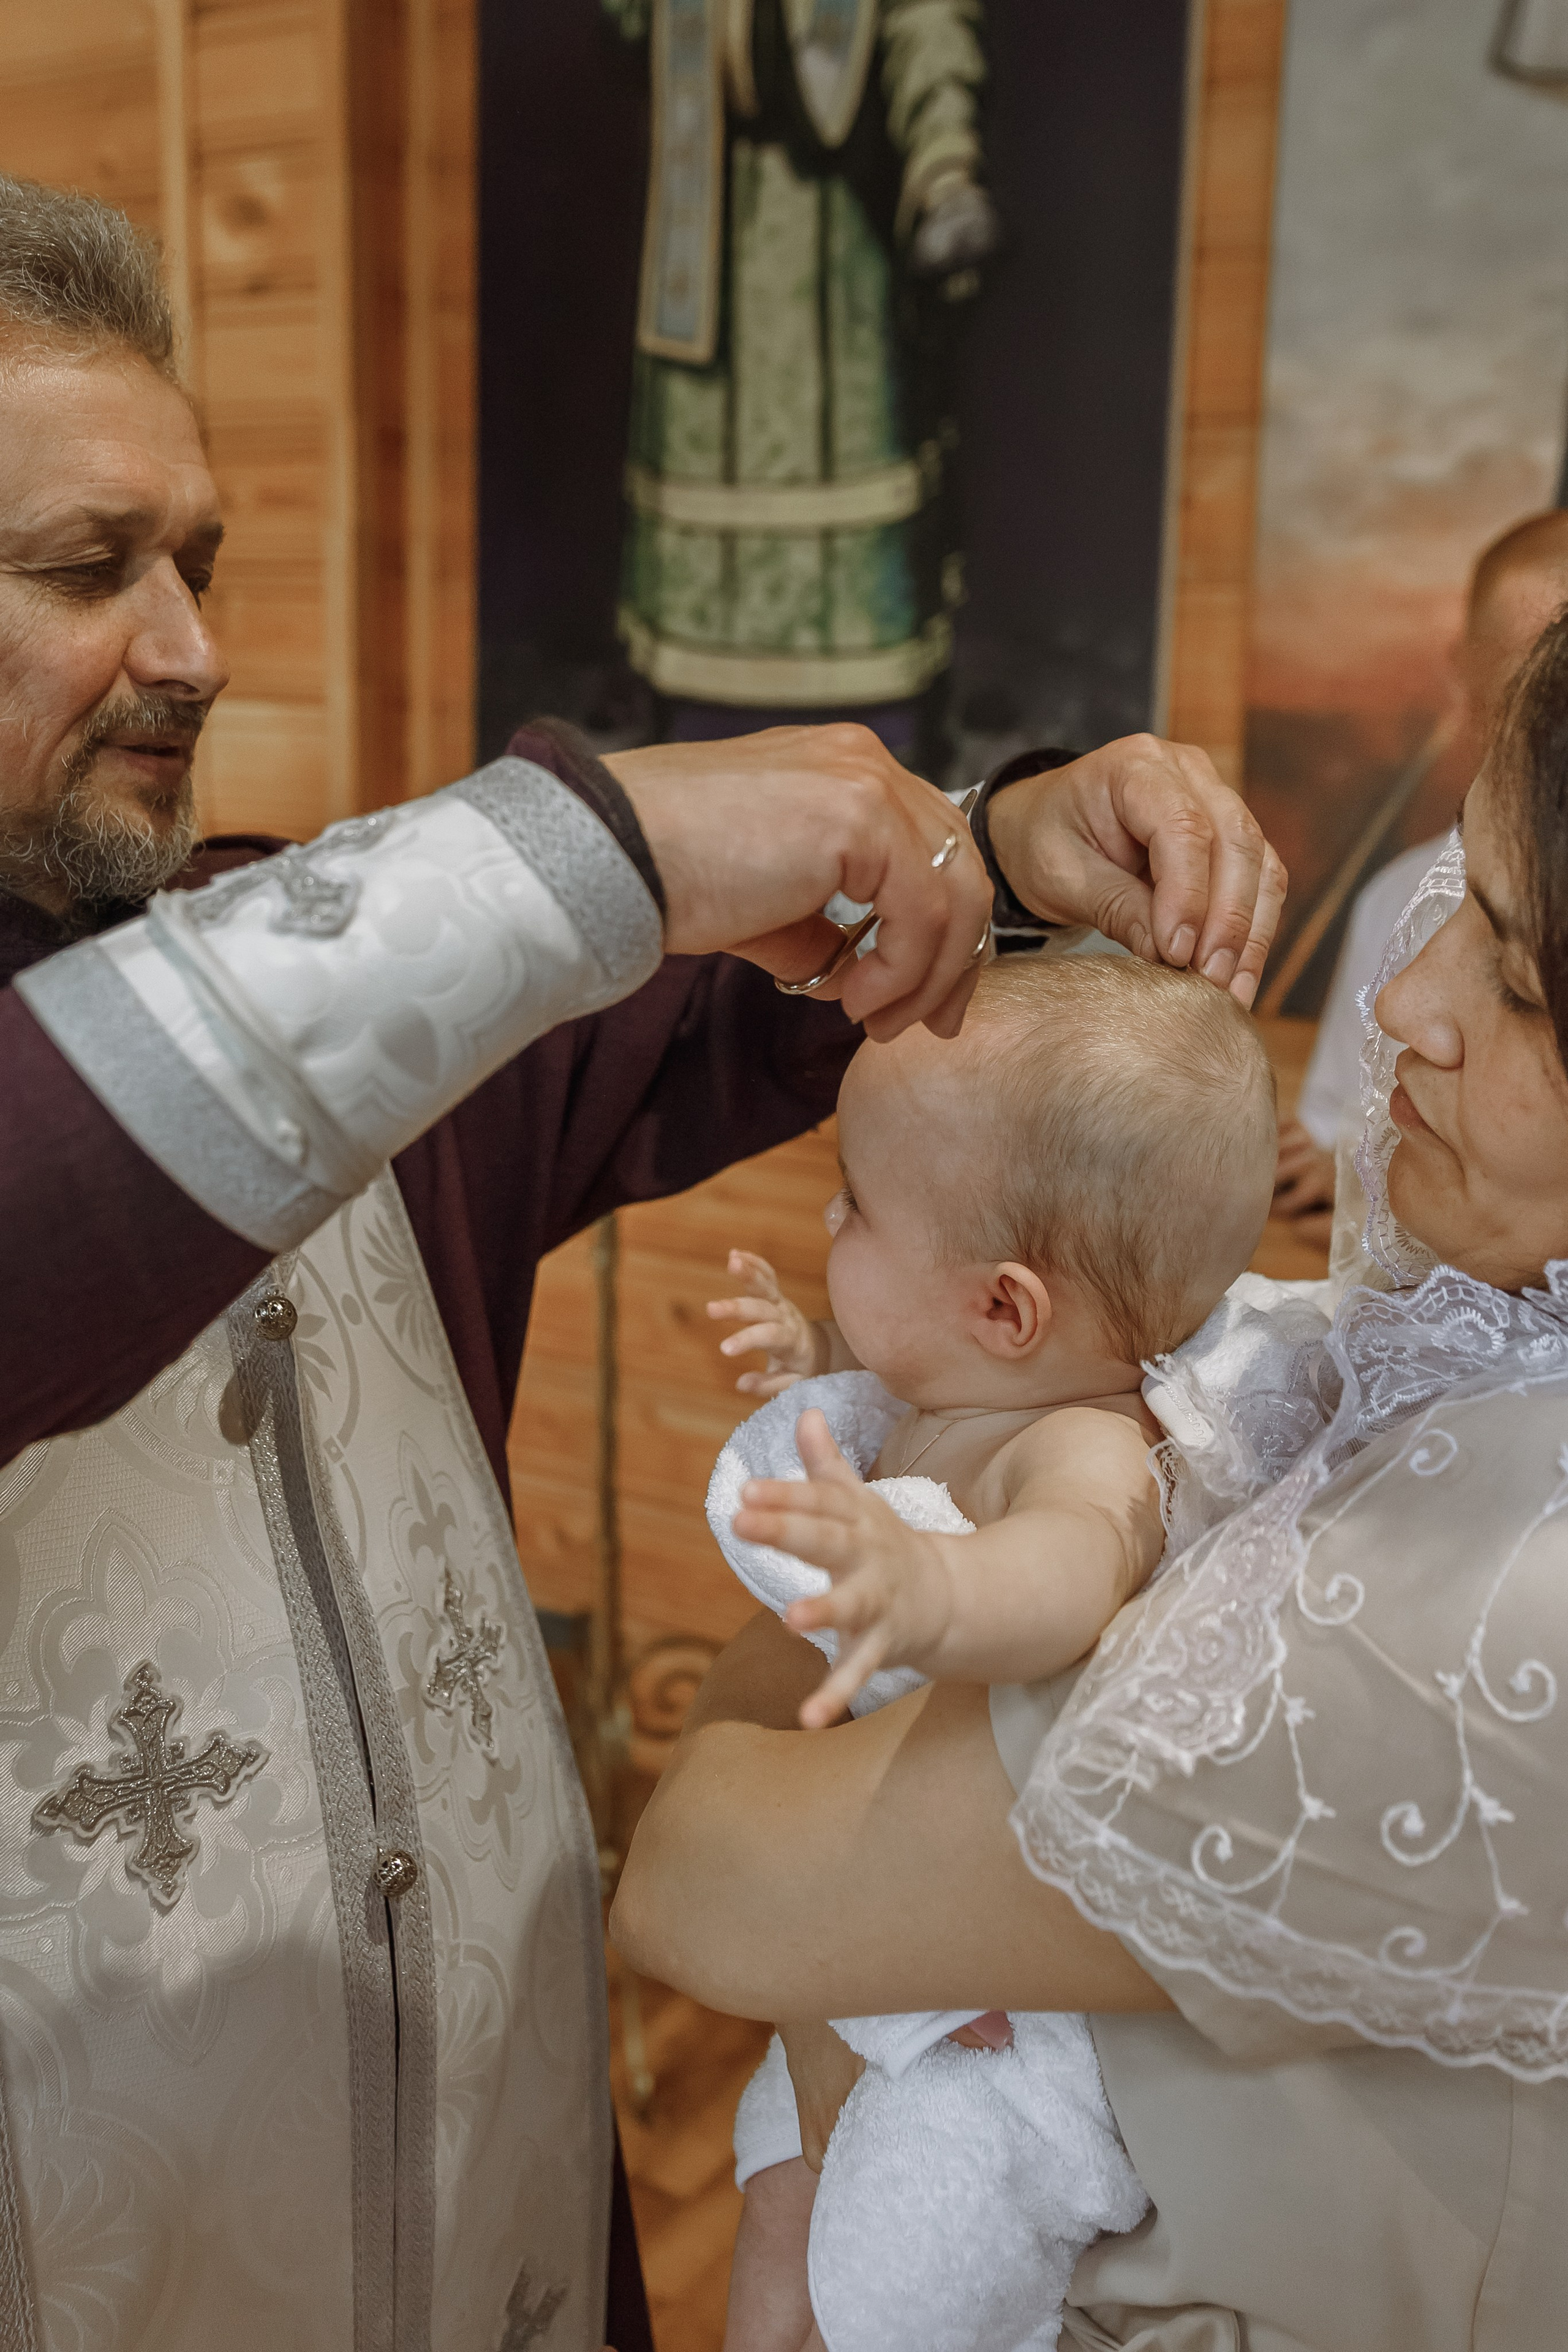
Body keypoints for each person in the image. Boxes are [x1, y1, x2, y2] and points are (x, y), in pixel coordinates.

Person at [0, 173, 1284, 2352]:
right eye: (85, 568)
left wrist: (993, 848)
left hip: (489, 2195)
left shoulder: (322, 957)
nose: (194, 646)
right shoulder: (328, 980)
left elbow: (701, 998)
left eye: (198, 563)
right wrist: (607, 838)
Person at [613, 607, 1568, 2346]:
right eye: (1451, 901)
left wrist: (896, 1579)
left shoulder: (1502, 1588)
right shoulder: (1418, 1355)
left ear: (1008, 1301)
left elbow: (700, 1877)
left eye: (1509, 972)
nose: (1401, 1004)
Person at [701, 953, 1276, 2352]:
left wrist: (934, 1584)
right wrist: (809, 1345)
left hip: (996, 2013)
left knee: (897, 2271)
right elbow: (892, 1380)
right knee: (776, 2190)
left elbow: (1063, 1573)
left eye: (856, 1203)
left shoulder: (1085, 1447)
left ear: (1005, 1309)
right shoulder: (967, 1380)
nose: (828, 1214)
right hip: (874, 1932)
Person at [1275, 506, 1568, 1246]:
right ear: (1463, 676)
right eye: (1524, 686)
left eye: (1519, 983)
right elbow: (1330, 1140)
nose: (1399, 1005)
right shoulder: (1394, 894)